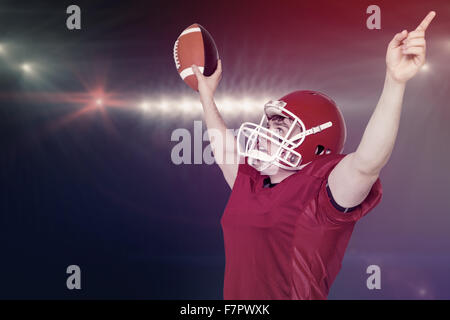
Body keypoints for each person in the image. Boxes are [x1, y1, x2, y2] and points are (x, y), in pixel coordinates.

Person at [191, 11, 436, 300]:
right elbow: (224, 149)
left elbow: (368, 162)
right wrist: (206, 96)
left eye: (280, 126)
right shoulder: (250, 182)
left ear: (318, 145)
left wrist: (395, 82)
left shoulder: (321, 196)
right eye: (268, 124)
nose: (267, 132)